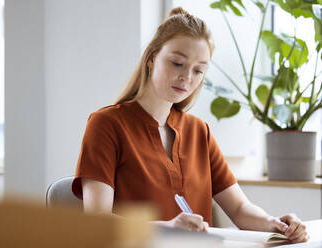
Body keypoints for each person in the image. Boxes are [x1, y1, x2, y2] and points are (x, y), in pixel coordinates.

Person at [72, 7, 309, 243]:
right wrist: (167, 228)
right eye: (177, 63)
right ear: (152, 58)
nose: (187, 77)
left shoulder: (199, 132)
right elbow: (97, 221)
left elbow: (239, 209)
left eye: (199, 70)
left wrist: (276, 224)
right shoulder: (106, 125)